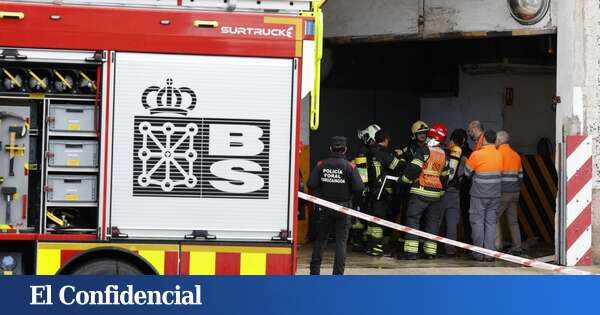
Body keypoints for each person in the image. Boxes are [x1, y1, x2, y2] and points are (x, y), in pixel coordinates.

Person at [308, 136, 364, 275]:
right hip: (343, 209)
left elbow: (311, 184)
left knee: (320, 240)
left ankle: (314, 273)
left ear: (331, 149)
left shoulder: (321, 164)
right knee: (341, 242)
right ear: (344, 149)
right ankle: (337, 275)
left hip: (324, 208)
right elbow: (359, 188)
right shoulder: (350, 166)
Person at [397, 123, 450, 260]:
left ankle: (411, 252)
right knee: (432, 222)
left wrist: (403, 180)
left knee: (413, 220)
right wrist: (441, 190)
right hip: (436, 195)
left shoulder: (424, 151)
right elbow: (445, 177)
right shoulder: (444, 154)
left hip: (420, 191)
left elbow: (413, 169)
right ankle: (430, 253)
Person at [464, 130, 503, 262]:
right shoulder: (500, 155)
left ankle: (479, 254)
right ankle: (489, 254)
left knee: (477, 223)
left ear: (484, 139)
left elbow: (467, 173)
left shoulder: (476, 154)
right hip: (495, 195)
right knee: (491, 223)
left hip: (478, 195)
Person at [365, 130, 401, 256]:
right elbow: (398, 166)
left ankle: (370, 247)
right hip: (381, 191)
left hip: (371, 190)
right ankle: (376, 249)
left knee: (372, 219)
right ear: (386, 139)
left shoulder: (369, 152)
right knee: (378, 221)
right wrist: (400, 156)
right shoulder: (384, 154)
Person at [434, 129, 466, 257]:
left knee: (436, 220)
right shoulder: (459, 153)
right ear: (463, 140)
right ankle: (450, 249)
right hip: (454, 192)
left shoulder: (443, 151)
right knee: (452, 222)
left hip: (442, 191)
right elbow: (457, 173)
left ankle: (432, 247)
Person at [349, 124, 381, 252]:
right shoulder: (363, 151)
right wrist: (365, 188)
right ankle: (357, 243)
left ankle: (362, 242)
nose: (375, 142)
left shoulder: (369, 150)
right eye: (374, 140)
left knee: (364, 216)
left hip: (366, 189)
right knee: (359, 218)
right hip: (363, 189)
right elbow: (362, 174)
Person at [495, 130, 524, 255]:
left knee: (494, 218)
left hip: (502, 192)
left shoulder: (498, 154)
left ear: (500, 140)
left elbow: (495, 175)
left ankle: (497, 245)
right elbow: (521, 175)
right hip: (515, 192)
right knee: (513, 221)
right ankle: (517, 247)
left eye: (496, 140)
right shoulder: (516, 155)